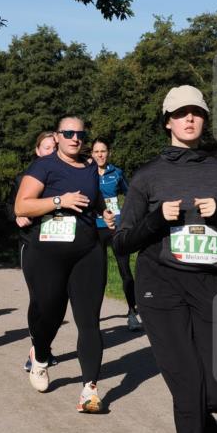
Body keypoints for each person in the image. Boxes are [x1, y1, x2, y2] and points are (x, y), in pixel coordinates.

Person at [113, 86, 217, 433]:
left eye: (197, 113)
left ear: (204, 121)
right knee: (187, 384)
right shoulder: (147, 176)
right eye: (181, 113)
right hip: (160, 288)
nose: (189, 119)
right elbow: (121, 243)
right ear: (168, 121)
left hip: (209, 286)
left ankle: (206, 412)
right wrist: (157, 218)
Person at [15, 116, 115, 412]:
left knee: (89, 320)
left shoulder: (89, 169)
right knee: (50, 313)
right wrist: (59, 201)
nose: (75, 138)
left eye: (80, 134)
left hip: (87, 252)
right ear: (57, 136)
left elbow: (94, 200)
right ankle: (41, 356)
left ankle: (90, 390)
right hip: (48, 253)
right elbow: (22, 205)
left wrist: (104, 213)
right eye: (69, 133)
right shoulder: (44, 166)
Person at [9, 131, 60, 371]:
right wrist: (17, 215)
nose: (51, 151)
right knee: (39, 299)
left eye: (54, 147)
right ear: (38, 151)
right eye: (46, 147)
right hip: (31, 243)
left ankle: (44, 346)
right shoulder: (23, 178)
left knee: (56, 301)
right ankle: (36, 349)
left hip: (59, 246)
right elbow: (11, 207)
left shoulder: (65, 178)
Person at [91, 138, 140, 331]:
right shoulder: (86, 174)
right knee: (97, 273)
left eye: (103, 151)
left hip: (115, 227)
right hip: (94, 228)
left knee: (125, 270)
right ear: (92, 154)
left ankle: (132, 312)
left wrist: (126, 218)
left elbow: (130, 196)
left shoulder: (117, 173)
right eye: (96, 151)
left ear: (108, 152)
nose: (100, 155)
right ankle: (92, 316)